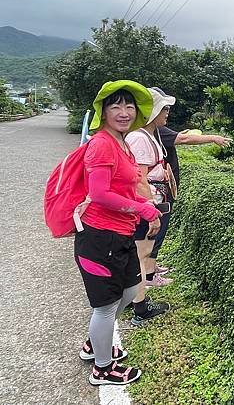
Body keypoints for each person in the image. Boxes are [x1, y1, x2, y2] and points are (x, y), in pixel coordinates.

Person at [75, 80, 161, 386]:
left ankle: (93, 344)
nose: (123, 112)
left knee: (126, 292)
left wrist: (145, 205)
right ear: (104, 111)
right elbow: (99, 194)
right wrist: (143, 209)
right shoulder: (101, 144)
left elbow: (122, 189)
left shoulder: (122, 143)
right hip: (99, 238)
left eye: (129, 106)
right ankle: (102, 368)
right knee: (106, 306)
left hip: (118, 235)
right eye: (116, 106)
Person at [149, 87, 231, 265]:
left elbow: (178, 137)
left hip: (162, 190)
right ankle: (147, 274)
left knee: (156, 232)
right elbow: (183, 140)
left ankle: (150, 269)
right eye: (165, 108)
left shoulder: (157, 130)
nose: (168, 112)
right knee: (155, 232)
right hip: (157, 193)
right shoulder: (151, 131)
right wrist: (213, 138)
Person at [125, 87, 175, 326]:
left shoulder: (148, 135)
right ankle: (140, 308)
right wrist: (151, 211)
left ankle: (134, 301)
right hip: (148, 205)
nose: (167, 113)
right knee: (141, 255)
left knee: (141, 254)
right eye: (164, 108)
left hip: (153, 202)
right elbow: (138, 179)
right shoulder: (139, 138)